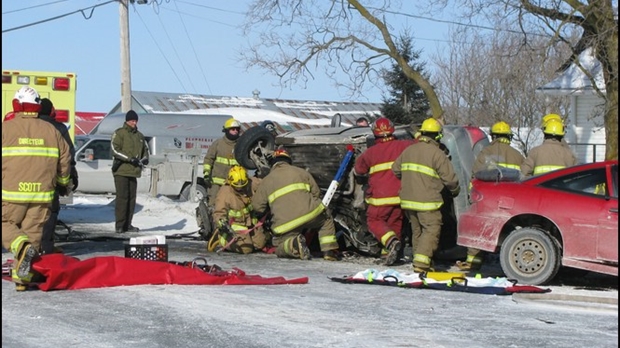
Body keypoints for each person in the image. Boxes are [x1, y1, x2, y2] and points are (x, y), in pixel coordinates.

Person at [2, 86, 72, 291]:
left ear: (17, 104)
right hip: (42, 194)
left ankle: (20, 247)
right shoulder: (52, 130)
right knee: (33, 233)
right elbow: (65, 160)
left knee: (6, 225)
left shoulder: (5, 129)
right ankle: (22, 279)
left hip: (11, 195)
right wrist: (62, 183)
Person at [392, 117, 460, 273]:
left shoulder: (409, 150)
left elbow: (395, 169)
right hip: (427, 201)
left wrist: (411, 180)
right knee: (431, 229)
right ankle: (422, 263)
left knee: (417, 231)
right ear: (437, 136)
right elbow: (451, 180)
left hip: (408, 201)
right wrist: (455, 192)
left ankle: (419, 259)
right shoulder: (437, 154)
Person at [455, 121, 525, 271]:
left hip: (488, 198)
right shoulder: (517, 156)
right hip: (509, 200)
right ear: (509, 137)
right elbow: (524, 179)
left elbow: (475, 177)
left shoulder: (485, 153)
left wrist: (472, 197)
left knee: (479, 227)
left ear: (493, 136)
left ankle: (473, 261)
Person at [252, 148, 340, 261]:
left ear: (274, 163)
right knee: (326, 220)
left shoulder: (266, 181)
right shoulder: (302, 172)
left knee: (280, 247)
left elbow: (257, 207)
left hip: (285, 224)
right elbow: (316, 193)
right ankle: (329, 251)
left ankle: (293, 245)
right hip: (311, 214)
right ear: (288, 161)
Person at [353, 117, 414, 265]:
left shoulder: (370, 152)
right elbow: (421, 145)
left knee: (374, 221)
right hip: (400, 196)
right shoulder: (404, 145)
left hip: (380, 198)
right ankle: (389, 254)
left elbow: (358, 170)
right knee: (394, 223)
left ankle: (391, 243)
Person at [38, 98, 79, 254]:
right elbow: (68, 154)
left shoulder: (29, 126)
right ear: (51, 111)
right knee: (51, 212)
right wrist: (68, 178)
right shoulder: (59, 128)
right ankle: (46, 248)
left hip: (27, 179)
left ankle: (29, 247)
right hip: (51, 179)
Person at [208, 165, 268, 254]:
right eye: (237, 186)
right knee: (246, 249)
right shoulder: (225, 192)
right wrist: (222, 224)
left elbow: (266, 184)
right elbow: (218, 213)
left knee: (260, 244)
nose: (240, 188)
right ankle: (222, 238)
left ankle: (249, 238)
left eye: (243, 185)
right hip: (235, 226)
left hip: (251, 223)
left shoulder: (251, 182)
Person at [111, 110, 150, 233]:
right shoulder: (119, 133)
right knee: (122, 198)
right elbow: (114, 150)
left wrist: (144, 160)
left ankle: (128, 224)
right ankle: (120, 225)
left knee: (131, 199)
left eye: (135, 121)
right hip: (121, 171)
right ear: (127, 121)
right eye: (132, 121)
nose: (134, 123)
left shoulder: (139, 136)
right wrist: (129, 159)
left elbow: (146, 151)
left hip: (133, 172)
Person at [203, 118, 241, 209]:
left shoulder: (241, 145)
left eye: (237, 129)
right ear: (226, 130)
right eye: (233, 129)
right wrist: (206, 174)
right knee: (214, 205)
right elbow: (209, 159)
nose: (235, 131)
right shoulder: (218, 144)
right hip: (216, 184)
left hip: (234, 184)